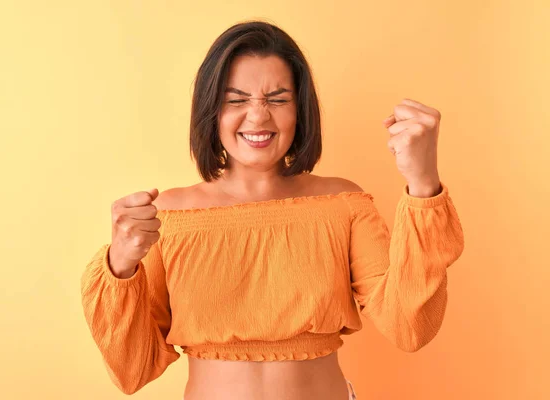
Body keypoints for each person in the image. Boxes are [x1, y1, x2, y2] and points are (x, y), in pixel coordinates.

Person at [80, 20, 465, 400]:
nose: (259, 115)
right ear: (211, 110)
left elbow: (410, 326)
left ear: (301, 111)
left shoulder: (343, 204)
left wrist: (423, 181)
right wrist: (121, 264)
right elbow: (133, 370)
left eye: (278, 99)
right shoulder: (166, 218)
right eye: (236, 99)